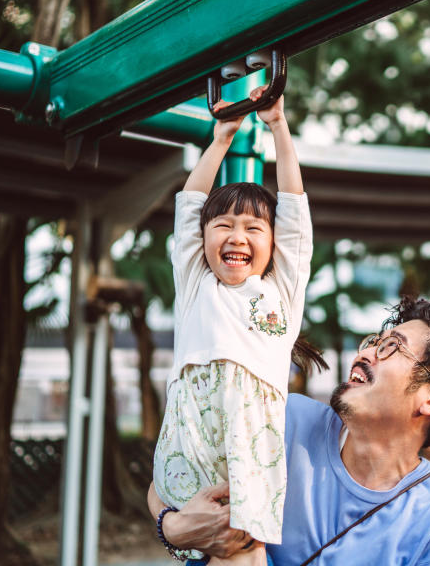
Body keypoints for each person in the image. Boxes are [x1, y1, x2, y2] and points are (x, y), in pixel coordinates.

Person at [149, 297, 430, 565]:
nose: (365, 353)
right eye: (373, 341)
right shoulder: (284, 419)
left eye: (391, 347)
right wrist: (174, 528)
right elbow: (171, 474)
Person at [152, 85, 312, 566]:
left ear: (272, 244)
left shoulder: (279, 290)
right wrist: (221, 139)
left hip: (252, 449)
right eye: (222, 225)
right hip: (189, 442)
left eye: (252, 228)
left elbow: (295, 212)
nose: (236, 235)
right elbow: (189, 205)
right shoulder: (197, 286)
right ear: (203, 240)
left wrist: (278, 128)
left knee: (243, 549)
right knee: (195, 539)